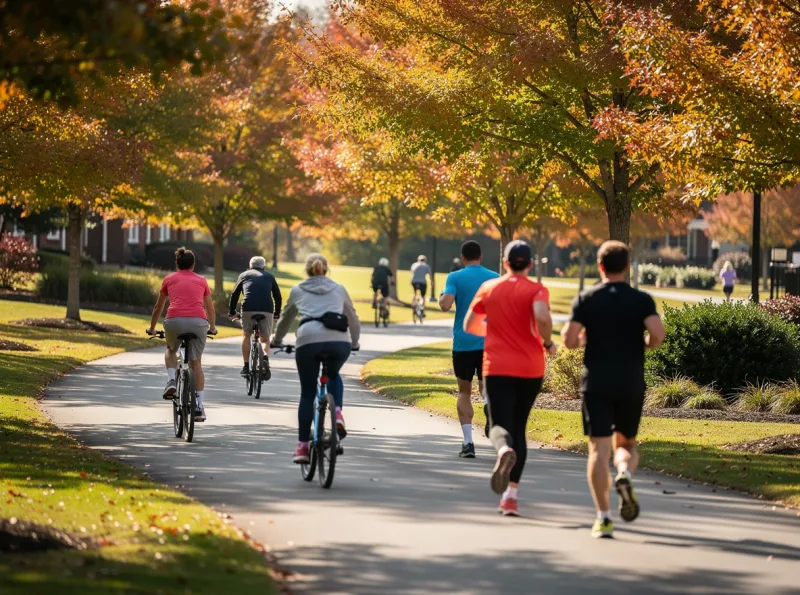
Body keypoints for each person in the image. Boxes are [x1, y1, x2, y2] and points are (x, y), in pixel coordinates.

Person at [562, 241, 665, 539]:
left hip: (596, 383)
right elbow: (657, 333)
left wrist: (584, 340)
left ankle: (603, 518)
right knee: (627, 445)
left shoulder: (586, 298)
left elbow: (569, 339)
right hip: (630, 381)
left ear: (600, 266)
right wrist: (646, 345)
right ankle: (624, 474)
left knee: (598, 449)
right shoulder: (641, 299)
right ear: (627, 266)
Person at [464, 240, 557, 517]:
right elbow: (541, 315)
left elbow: (470, 325)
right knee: (520, 428)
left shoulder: (489, 288)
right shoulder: (537, 289)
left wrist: (491, 334)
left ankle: (502, 449)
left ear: (505, 262)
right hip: (530, 368)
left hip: (498, 366)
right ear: (529, 264)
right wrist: (547, 341)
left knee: (497, 423)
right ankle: (511, 496)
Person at [272, 253, 361, 464]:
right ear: (326, 269)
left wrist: (276, 339)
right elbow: (353, 317)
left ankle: (303, 447)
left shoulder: (298, 290)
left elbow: (285, 318)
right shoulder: (339, 289)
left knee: (308, 392)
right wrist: (355, 341)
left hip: (308, 339)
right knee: (333, 373)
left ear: (307, 270)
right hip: (339, 340)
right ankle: (337, 413)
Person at [439, 240, 499, 458]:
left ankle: (468, 443)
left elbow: (445, 305)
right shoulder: (495, 277)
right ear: (481, 256)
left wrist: (441, 298)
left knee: (464, 391)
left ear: (463, 258)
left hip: (463, 343)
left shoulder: (455, 277)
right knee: (487, 388)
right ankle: (490, 407)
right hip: (489, 343)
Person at [147, 247, 217, 422]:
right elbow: (210, 307)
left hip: (174, 321)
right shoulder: (202, 281)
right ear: (193, 265)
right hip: (198, 323)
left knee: (171, 348)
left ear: (177, 264)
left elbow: (158, 307)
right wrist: (213, 327)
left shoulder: (169, 279)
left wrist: (152, 327)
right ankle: (199, 408)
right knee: (196, 363)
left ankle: (172, 381)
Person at [228, 256, 283, 379]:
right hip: (266, 308)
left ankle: (246, 367)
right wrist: (277, 313)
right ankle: (265, 359)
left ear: (250, 266)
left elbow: (235, 294)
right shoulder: (269, 276)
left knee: (246, 335)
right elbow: (277, 297)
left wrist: (232, 311)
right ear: (264, 267)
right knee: (265, 339)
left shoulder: (244, 275)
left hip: (248, 307)